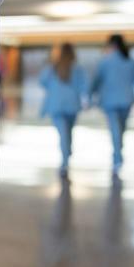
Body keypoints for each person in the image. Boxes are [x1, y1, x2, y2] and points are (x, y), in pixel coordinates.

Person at [90, 34, 134, 175]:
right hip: (126, 101)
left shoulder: (105, 62)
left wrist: (88, 96)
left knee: (116, 130)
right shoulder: (129, 62)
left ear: (112, 46)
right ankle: (118, 155)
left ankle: (117, 156)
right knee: (120, 130)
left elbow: (96, 81)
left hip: (109, 102)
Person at [39, 43, 86, 177]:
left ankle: (65, 159)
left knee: (63, 134)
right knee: (68, 132)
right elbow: (83, 86)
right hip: (72, 106)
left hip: (56, 106)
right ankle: (67, 155)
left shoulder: (52, 68)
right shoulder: (77, 68)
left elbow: (42, 82)